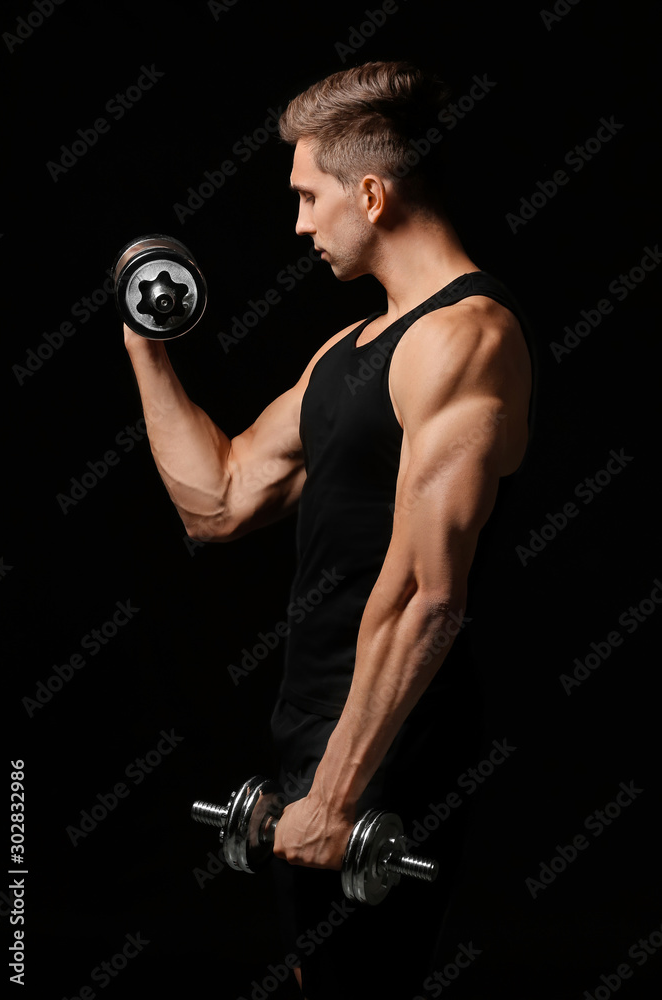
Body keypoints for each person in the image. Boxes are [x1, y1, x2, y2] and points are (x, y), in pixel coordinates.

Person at [123, 61, 533, 998]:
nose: (300, 223)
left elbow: (429, 597)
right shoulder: (347, 353)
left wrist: (338, 791)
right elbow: (218, 499)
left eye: (309, 197)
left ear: (373, 193)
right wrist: (143, 344)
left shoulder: (467, 338)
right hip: (312, 731)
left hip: (392, 738)